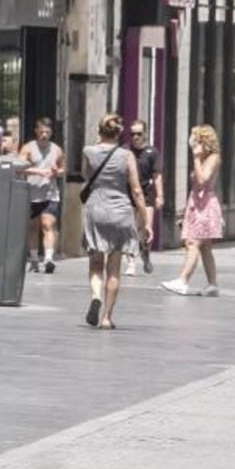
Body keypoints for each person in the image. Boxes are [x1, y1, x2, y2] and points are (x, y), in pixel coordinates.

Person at [81, 113, 147, 329]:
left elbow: (86, 176)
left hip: (96, 209)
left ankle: (95, 297)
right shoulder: (127, 156)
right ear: (119, 134)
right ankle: (107, 317)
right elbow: (136, 190)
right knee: (114, 266)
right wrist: (144, 223)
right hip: (120, 211)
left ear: (99, 131)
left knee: (96, 263)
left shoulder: (88, 152)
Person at [162, 125, 223, 297]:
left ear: (204, 141)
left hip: (205, 206)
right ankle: (212, 284)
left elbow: (203, 180)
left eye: (195, 139)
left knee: (193, 243)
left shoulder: (213, 158)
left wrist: (196, 158)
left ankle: (183, 280)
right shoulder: (204, 158)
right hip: (197, 204)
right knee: (205, 248)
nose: (192, 143)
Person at [18, 117, 65, 274]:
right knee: (33, 227)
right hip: (32, 193)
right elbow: (19, 168)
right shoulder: (28, 148)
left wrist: (56, 172)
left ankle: (49, 258)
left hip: (50, 194)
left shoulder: (57, 149)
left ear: (51, 132)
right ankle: (33, 259)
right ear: (36, 131)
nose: (44, 135)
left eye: (47, 132)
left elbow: (63, 169)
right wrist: (38, 171)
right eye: (42, 131)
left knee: (48, 225)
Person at [126, 120, 163, 276]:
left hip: (146, 194)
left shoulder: (152, 153)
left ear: (145, 134)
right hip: (128, 194)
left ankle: (145, 254)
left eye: (139, 134)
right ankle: (131, 263)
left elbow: (157, 176)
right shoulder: (125, 151)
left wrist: (160, 195)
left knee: (146, 230)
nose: (135, 137)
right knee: (130, 229)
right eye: (132, 134)